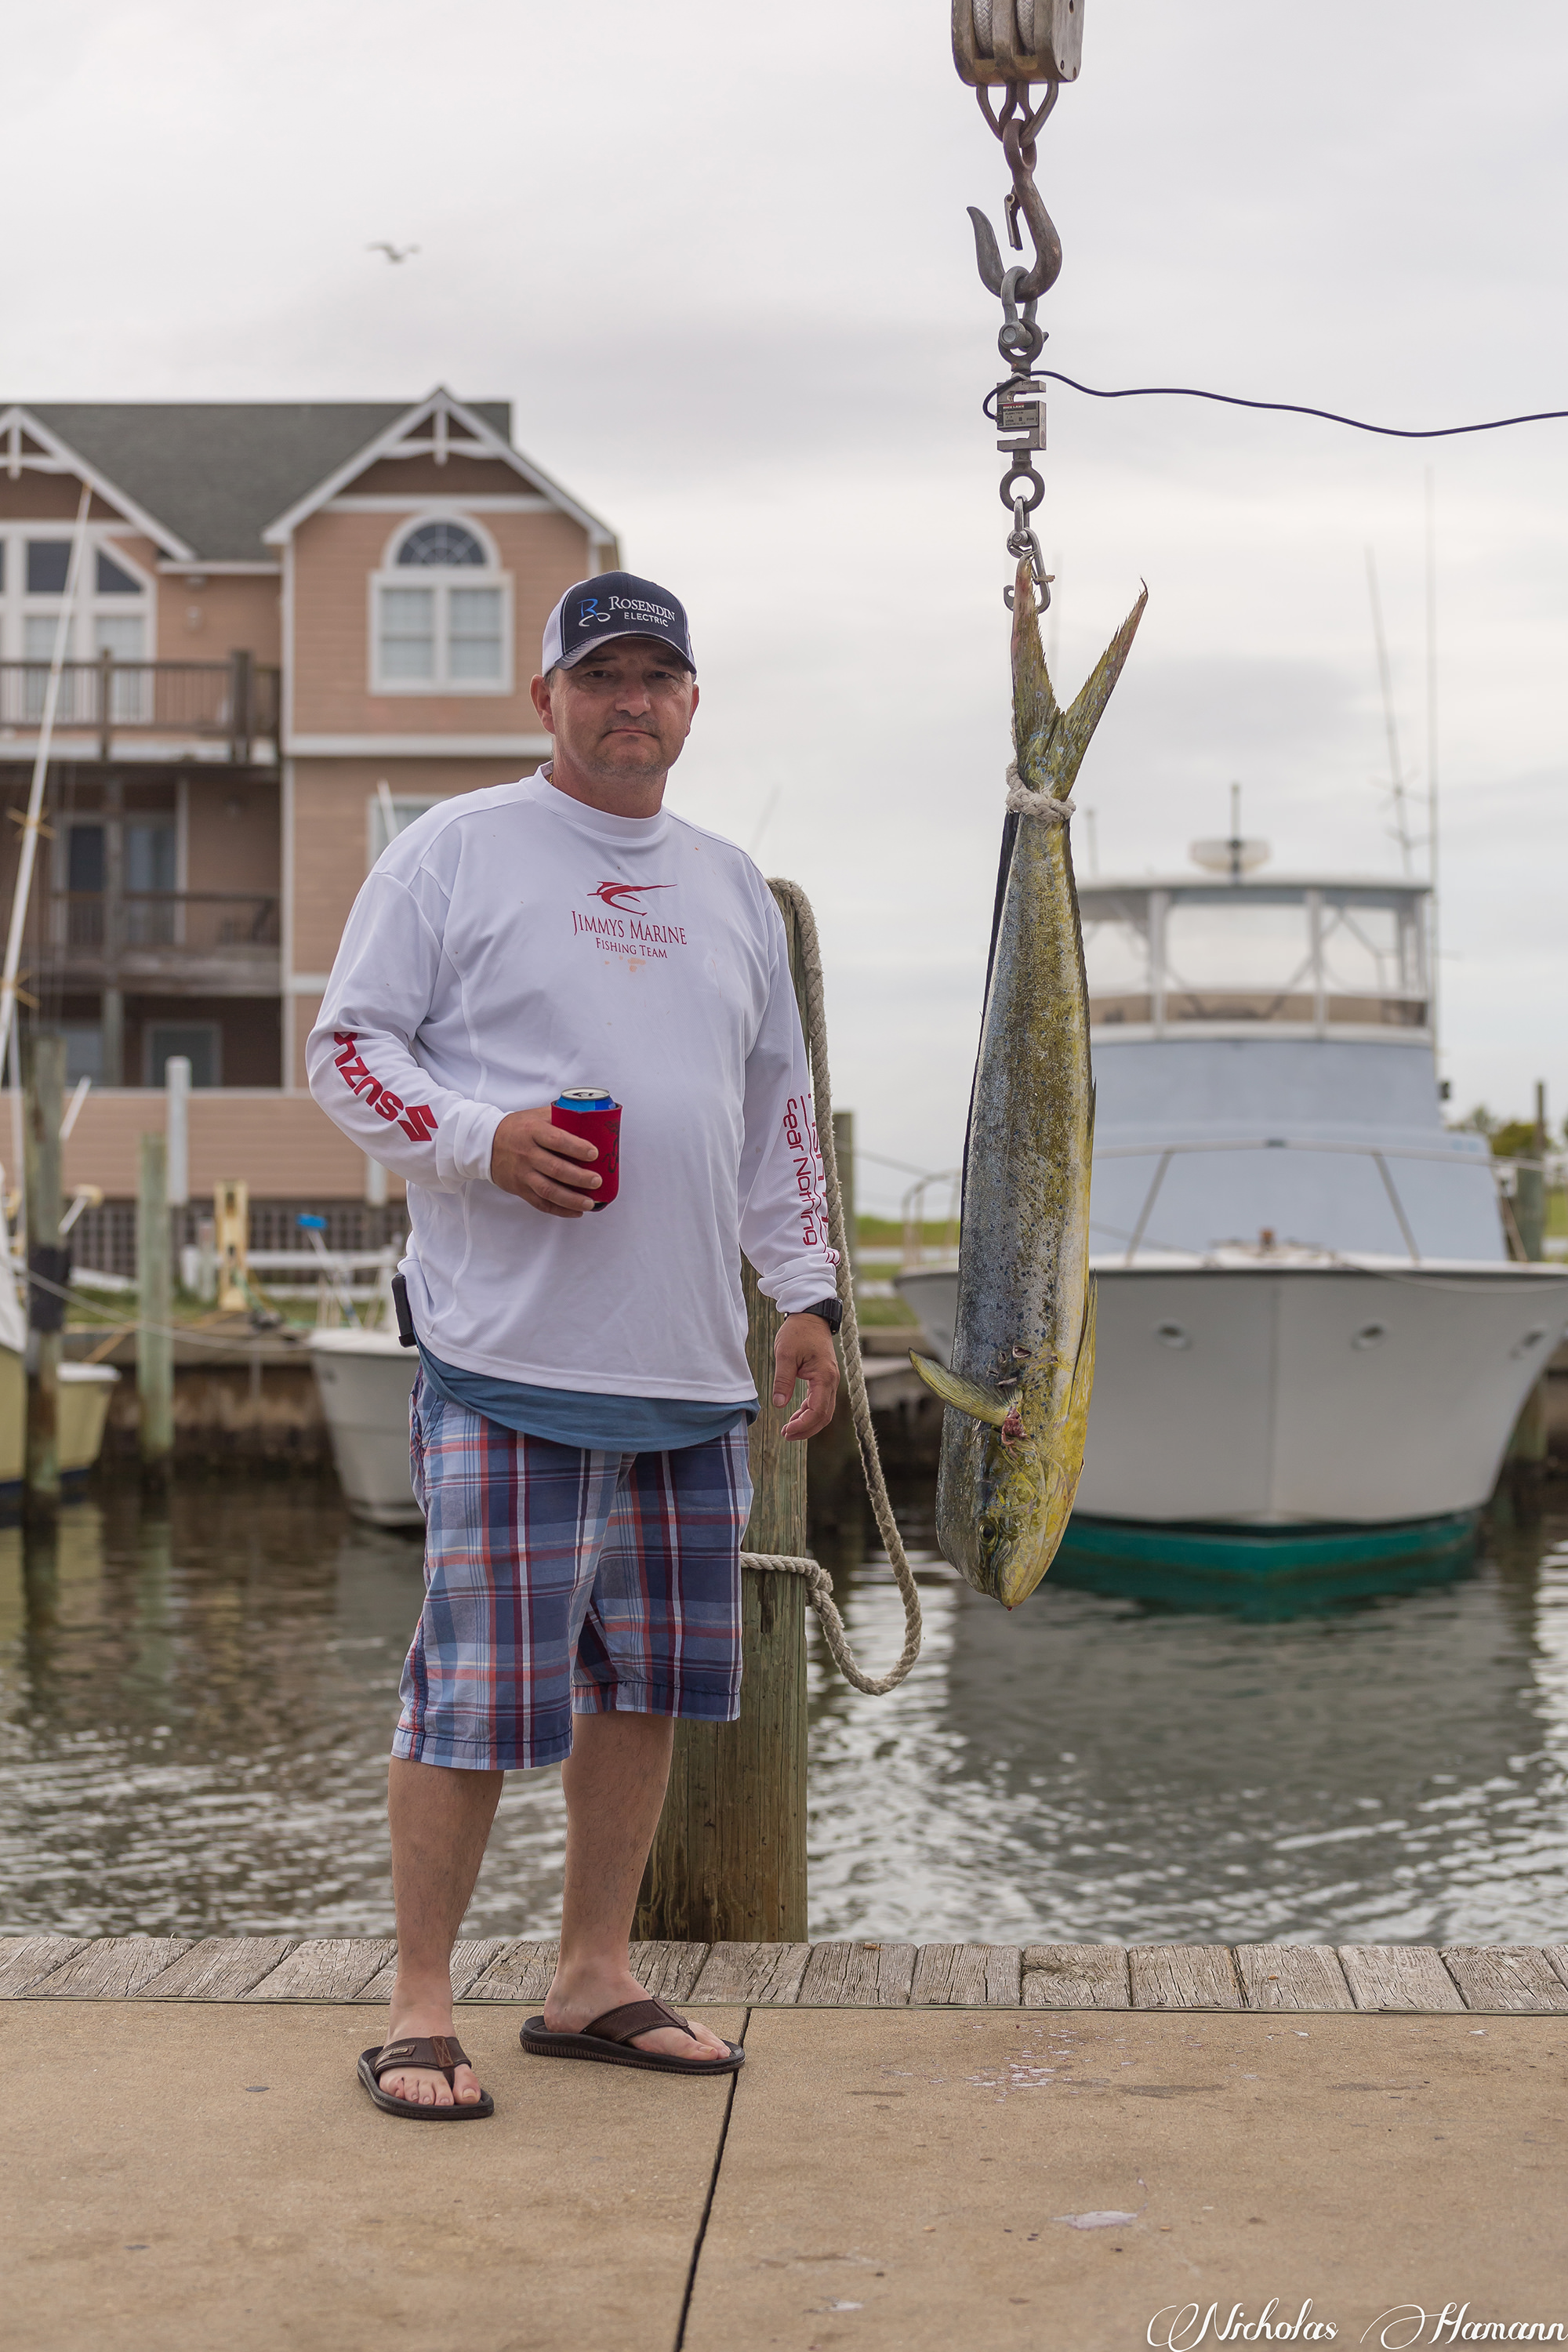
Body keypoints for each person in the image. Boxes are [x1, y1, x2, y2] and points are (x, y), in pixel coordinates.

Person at [308, 572, 841, 2116]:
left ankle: (593, 1977)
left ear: (691, 702)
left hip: (691, 1368)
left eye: (656, 677)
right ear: (546, 697)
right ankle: (419, 2005)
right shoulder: (455, 850)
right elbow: (347, 1052)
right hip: (507, 1358)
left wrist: (805, 1290)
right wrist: (482, 1137)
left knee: (650, 1688)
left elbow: (774, 1108)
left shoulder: (733, 888)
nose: (630, 701)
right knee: (471, 1695)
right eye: (600, 675)